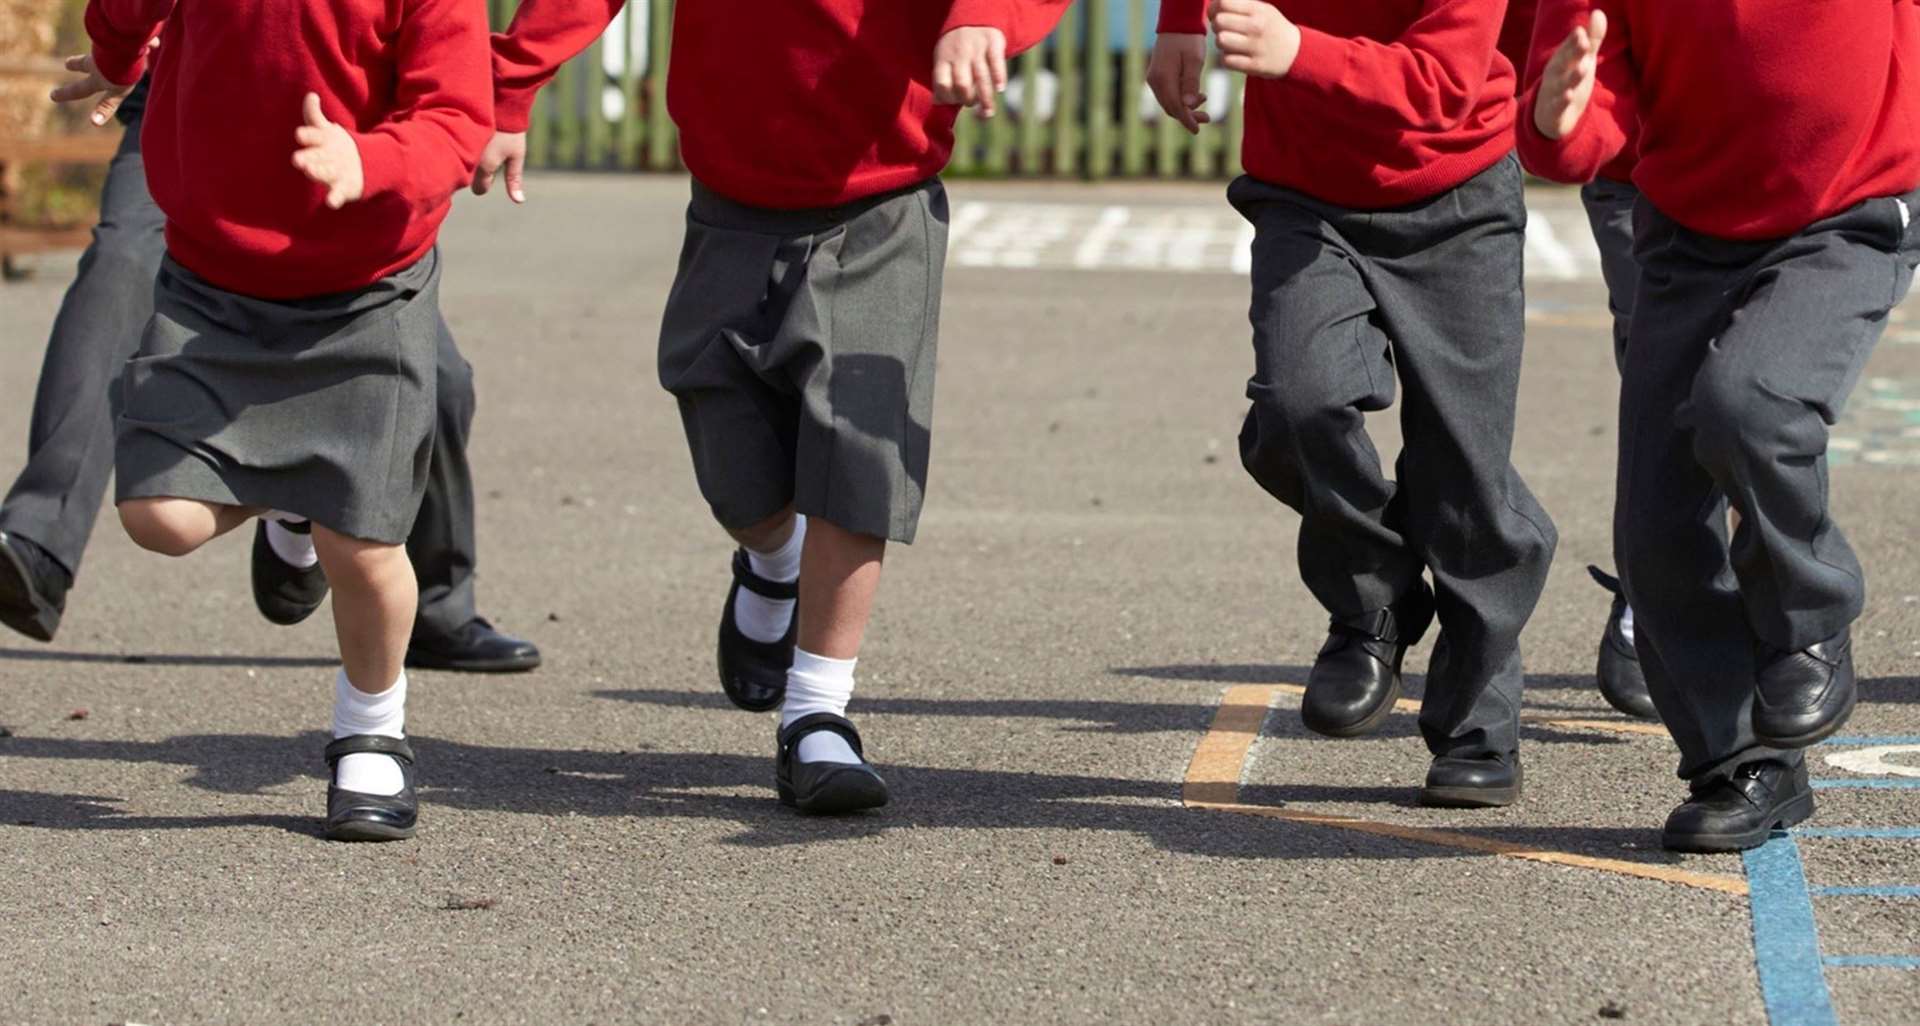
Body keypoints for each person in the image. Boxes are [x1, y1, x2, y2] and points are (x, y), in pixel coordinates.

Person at [479, 0, 1069, 813]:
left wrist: (983, 17)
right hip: (732, 202)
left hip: (881, 202)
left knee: (860, 456)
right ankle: (773, 560)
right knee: (733, 461)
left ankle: (818, 715)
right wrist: (511, 88)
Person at [69, 0, 495, 839]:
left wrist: (369, 158)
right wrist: (118, 52)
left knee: (362, 546)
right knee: (158, 516)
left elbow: (455, 119)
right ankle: (290, 502)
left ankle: (371, 728)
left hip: (367, 288)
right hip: (212, 279)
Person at [1518, 3, 1919, 851]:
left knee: (1750, 404)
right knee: (1657, 529)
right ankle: (1741, 764)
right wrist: (1560, 114)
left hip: (1849, 212)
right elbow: (1586, 128)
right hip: (1689, 234)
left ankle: (1809, 618)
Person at [1148, 0, 1557, 807]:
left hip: (1458, 193)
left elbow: (1442, 84)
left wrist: (1297, 48)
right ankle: (1378, 597)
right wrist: (1177, 22)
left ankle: (1479, 723)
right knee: (1297, 407)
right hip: (1303, 192)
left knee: (1462, 470)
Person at [0, 73, 540, 674]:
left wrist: (503, 96)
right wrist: (127, 36)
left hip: (347, 103)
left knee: (438, 379)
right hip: (195, 83)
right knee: (123, 261)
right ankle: (38, 538)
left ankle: (432, 605)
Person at [1501, 1, 1652, 719]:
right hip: (1638, 165)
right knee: (1678, 388)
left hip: (1798, 167)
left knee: (1762, 396)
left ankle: (1764, 596)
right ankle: (1658, 589)